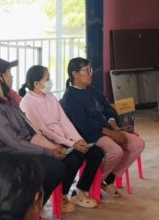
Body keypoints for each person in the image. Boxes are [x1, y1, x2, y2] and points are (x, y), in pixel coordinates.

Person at [0, 59, 64, 220]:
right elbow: (14, 141)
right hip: (10, 155)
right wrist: (47, 151)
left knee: (62, 162)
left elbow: (27, 126)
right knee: (54, 168)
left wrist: (48, 144)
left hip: (25, 147)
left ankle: (33, 209)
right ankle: (25, 213)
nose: (12, 77)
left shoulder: (8, 98)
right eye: (8, 73)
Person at [19, 65, 103, 210]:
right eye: (47, 79)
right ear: (37, 84)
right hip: (49, 143)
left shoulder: (50, 96)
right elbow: (44, 131)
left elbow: (64, 120)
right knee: (74, 158)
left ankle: (80, 191)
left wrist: (77, 139)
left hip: (65, 139)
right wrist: (71, 143)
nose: (50, 81)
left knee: (96, 152)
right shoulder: (27, 103)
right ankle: (62, 195)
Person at [60, 57, 145, 197]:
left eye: (90, 70)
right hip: (90, 135)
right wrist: (111, 134)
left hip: (107, 129)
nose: (90, 74)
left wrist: (114, 126)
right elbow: (84, 124)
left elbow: (108, 108)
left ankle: (108, 178)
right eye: (86, 71)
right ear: (75, 74)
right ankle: (93, 183)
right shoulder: (70, 97)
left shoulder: (92, 90)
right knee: (116, 151)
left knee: (138, 144)